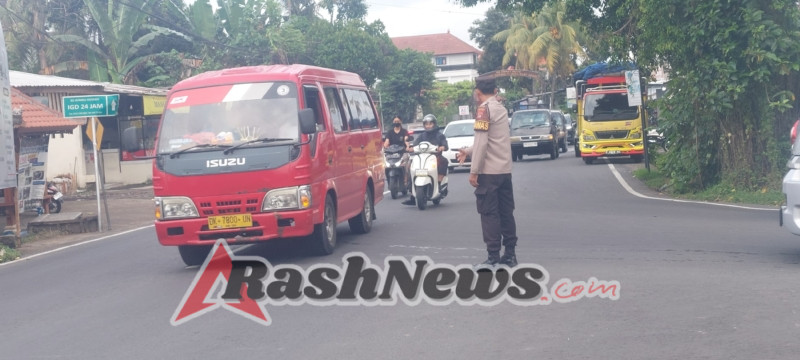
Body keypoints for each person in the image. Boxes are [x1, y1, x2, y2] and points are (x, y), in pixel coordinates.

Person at [457, 78, 518, 267]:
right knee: (506, 213)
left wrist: (474, 171)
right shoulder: (501, 108)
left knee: (489, 214)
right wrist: (467, 151)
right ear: (495, 90)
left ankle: (493, 257)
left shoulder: (484, 110)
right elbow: (490, 140)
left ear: (478, 92)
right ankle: (510, 255)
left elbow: (482, 142)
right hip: (504, 171)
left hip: (489, 173)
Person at [402, 114, 448, 206]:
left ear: (434, 124)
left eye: (430, 124)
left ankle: (439, 182)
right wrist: (410, 148)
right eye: (426, 124)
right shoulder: (422, 136)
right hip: (421, 157)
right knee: (411, 166)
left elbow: (445, 145)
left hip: (435, 157)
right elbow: (415, 145)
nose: (428, 126)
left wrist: (442, 147)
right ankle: (411, 193)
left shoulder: (440, 135)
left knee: (444, 161)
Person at [384, 116, 411, 188]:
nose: (396, 123)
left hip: (402, 153)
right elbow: (387, 141)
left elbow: (406, 140)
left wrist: (407, 147)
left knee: (406, 164)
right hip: (391, 154)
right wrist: (384, 147)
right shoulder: (390, 132)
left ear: (401, 122)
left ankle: (406, 179)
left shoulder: (404, 131)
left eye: (398, 121)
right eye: (395, 121)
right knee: (385, 165)